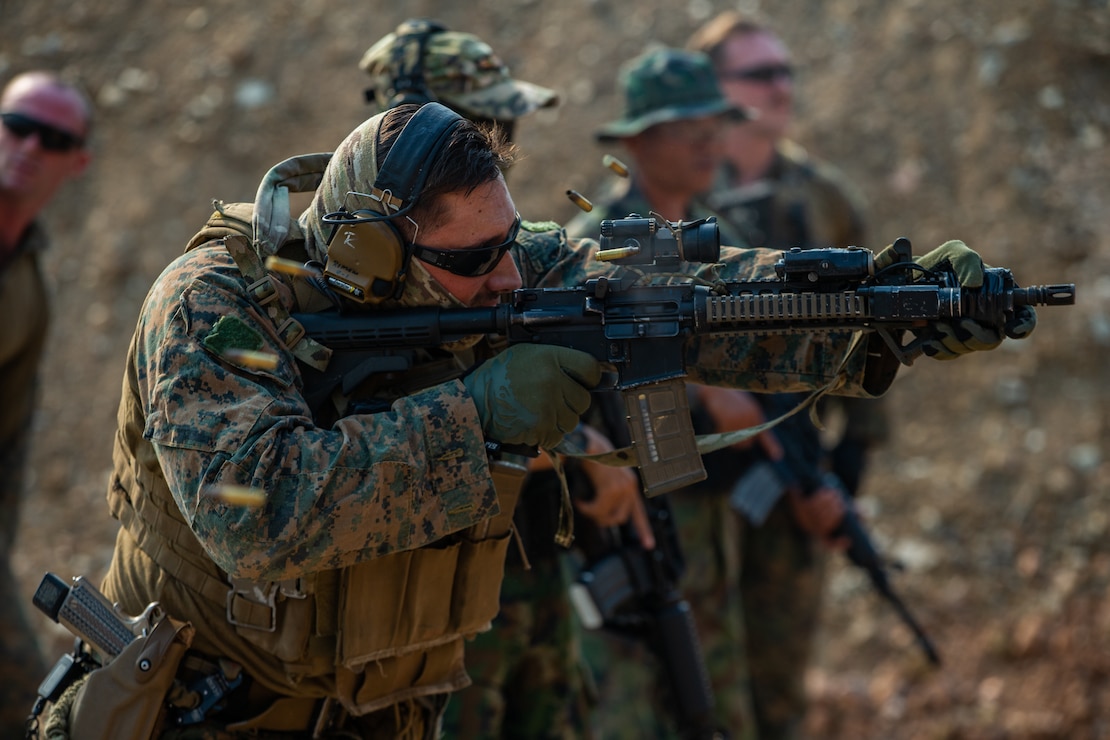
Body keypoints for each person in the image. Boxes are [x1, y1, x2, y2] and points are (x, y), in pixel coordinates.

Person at [50, 95, 1021, 738]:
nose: (510, 276)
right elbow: (254, 511)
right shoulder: (214, 303)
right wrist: (479, 418)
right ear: (373, 255)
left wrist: (891, 312)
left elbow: (697, 299)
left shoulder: (500, 268)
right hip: (202, 713)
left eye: (513, 242)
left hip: (379, 709)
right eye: (476, 260)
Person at [359, 20, 642, 738]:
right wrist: (575, 446)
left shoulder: (498, 239)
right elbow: (387, 427)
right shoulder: (368, 268)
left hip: (532, 556)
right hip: (443, 586)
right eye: (490, 120)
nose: (503, 140)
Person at [685, 12, 887, 737]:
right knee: (692, 682)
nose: (782, 87)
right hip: (695, 477)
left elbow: (876, 334)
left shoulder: (825, 199)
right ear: (713, 90)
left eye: (787, 71)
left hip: (793, 462)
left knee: (778, 684)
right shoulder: (676, 199)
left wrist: (844, 472)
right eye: (760, 73)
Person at [562, 46, 767, 739]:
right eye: (688, 126)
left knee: (715, 696)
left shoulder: (723, 238)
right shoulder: (596, 246)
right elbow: (567, 368)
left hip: (707, 507)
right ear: (639, 140)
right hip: (626, 511)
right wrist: (696, 385)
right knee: (628, 704)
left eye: (715, 123)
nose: (709, 140)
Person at [0, 70, 91, 736]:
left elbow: (11, 434)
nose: (28, 147)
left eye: (52, 138)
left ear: (76, 162)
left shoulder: (29, 286)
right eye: (17, 125)